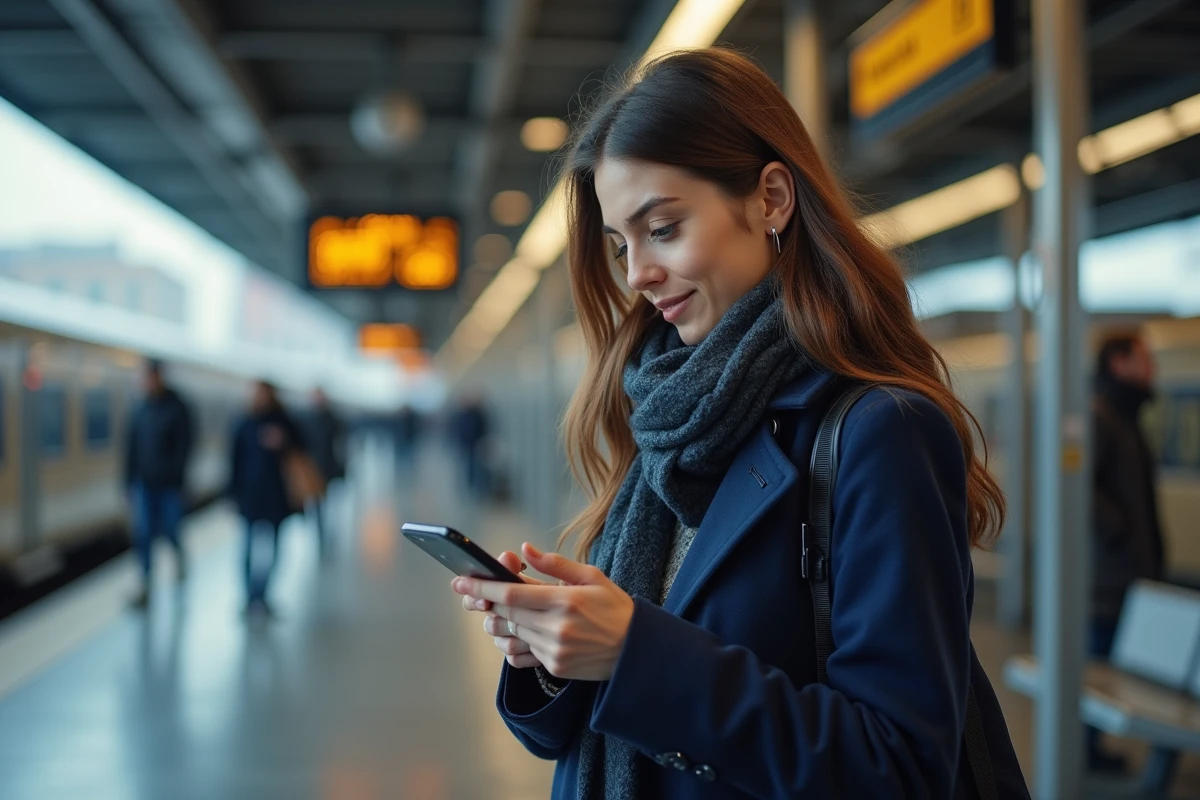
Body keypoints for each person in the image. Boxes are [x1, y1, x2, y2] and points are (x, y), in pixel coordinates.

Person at [451, 49, 1029, 799]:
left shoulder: (881, 432)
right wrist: (557, 654)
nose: (635, 274)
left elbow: (900, 766)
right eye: (621, 244)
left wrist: (633, 652)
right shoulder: (670, 421)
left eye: (662, 228)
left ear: (772, 199)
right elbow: (585, 736)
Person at [1088, 331, 1169, 776]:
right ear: (1119, 363)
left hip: (1127, 571)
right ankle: (1086, 751)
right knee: (1096, 665)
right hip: (1109, 577)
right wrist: (1119, 533)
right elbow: (1082, 485)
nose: (1152, 367)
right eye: (1145, 358)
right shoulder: (1102, 416)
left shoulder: (1123, 414)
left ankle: (1091, 750)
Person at [229, 381, 304, 617]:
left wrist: (284, 442)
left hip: (277, 497)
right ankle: (250, 596)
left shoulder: (286, 423)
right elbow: (235, 461)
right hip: (251, 497)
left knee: (274, 549)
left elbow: (302, 452)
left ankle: (264, 594)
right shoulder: (244, 424)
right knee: (248, 549)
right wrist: (232, 493)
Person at [124, 359, 193, 608]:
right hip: (144, 484)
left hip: (169, 486)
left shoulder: (177, 408)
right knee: (143, 534)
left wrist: (178, 479)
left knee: (170, 530)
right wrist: (127, 482)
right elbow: (130, 447)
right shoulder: (140, 408)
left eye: (149, 377)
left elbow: (185, 447)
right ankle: (144, 583)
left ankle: (179, 558)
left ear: (159, 377)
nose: (146, 383)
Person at [301, 387, 345, 559]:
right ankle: (321, 535)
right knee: (318, 505)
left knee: (327, 504)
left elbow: (340, 446)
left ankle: (325, 533)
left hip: (329, 469)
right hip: (313, 470)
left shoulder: (333, 419)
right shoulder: (308, 419)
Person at [451, 396, 490, 500]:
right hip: (465, 445)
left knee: (478, 467)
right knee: (468, 467)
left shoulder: (478, 415)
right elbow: (457, 429)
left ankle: (479, 488)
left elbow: (484, 429)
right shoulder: (462, 415)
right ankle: (469, 487)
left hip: (477, 445)